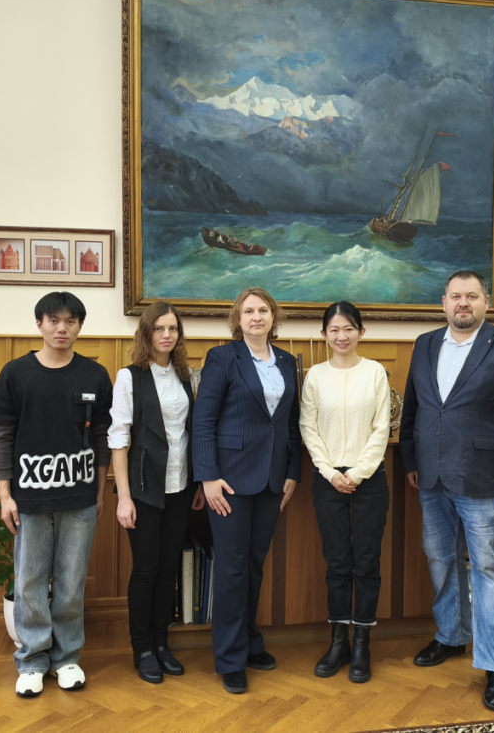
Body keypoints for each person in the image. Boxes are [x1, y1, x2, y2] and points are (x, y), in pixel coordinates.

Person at [398, 271, 494, 712]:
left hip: (486, 480)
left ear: (486, 302)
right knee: (440, 560)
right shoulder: (424, 344)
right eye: (456, 296)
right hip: (431, 477)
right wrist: (411, 461)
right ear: (443, 302)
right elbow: (414, 409)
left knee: (490, 570)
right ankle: (451, 636)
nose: (464, 303)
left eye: (472, 296)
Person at [0, 292, 113, 698]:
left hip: (81, 497)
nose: (62, 328)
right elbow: (2, 436)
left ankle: (66, 658)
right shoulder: (14, 374)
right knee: (28, 581)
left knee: (71, 581)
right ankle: (32, 659)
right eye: (54, 320)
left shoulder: (95, 375)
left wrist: (100, 489)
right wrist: (5, 494)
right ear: (39, 324)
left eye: (70, 321)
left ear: (80, 326)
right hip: (29, 497)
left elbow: (102, 436)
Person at [193, 286, 301, 695]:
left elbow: (289, 423)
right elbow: (203, 420)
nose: (257, 316)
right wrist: (208, 477)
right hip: (230, 482)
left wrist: (292, 472)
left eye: (263, 310)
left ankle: (250, 642)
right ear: (238, 320)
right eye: (249, 311)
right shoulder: (223, 358)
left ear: (274, 316)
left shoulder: (287, 361)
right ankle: (230, 659)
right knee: (233, 568)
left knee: (254, 566)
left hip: (272, 480)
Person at [109, 302, 205, 684]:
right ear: (146, 332)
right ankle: (143, 649)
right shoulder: (129, 377)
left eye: (173, 328)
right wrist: (123, 497)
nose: (167, 335)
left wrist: (197, 483)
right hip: (144, 492)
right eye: (159, 328)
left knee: (169, 570)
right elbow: (118, 440)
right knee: (146, 570)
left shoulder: (185, 376)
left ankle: (162, 643)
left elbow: (190, 432)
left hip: (180, 488)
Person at [299, 302, 391, 683]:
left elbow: (382, 428)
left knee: (367, 562)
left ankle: (362, 645)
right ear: (324, 334)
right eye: (334, 329)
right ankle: (338, 642)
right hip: (328, 481)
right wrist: (329, 472)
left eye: (349, 328)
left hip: (370, 480)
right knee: (337, 563)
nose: (342, 336)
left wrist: (357, 472)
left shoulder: (376, 372)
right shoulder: (315, 376)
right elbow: (308, 427)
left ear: (361, 333)